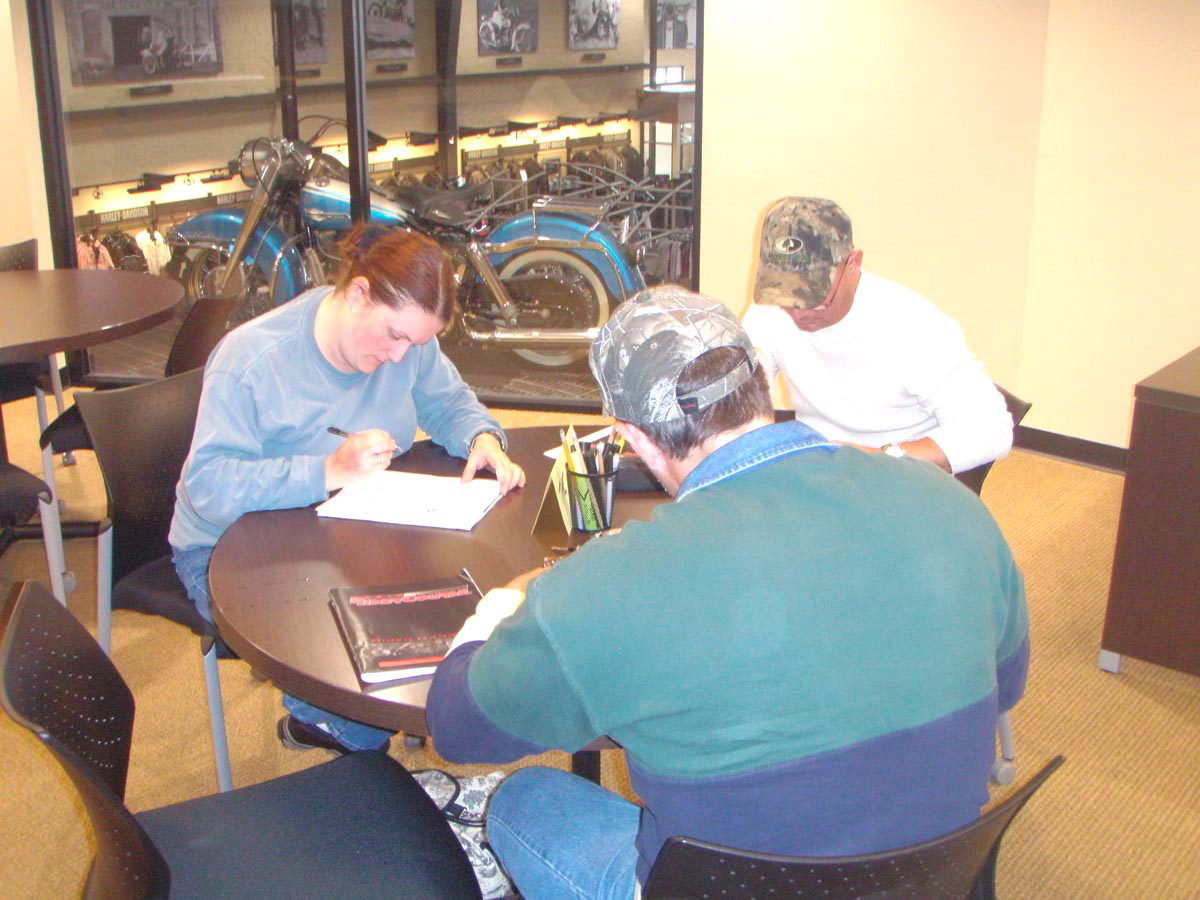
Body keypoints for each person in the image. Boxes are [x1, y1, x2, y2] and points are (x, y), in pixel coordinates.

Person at [426, 285, 1029, 900]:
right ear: (759, 384)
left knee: (523, 801)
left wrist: (500, 606)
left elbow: (459, 728)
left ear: (634, 438)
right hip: (932, 881)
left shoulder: (611, 585)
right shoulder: (950, 501)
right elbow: (1004, 687)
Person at [169, 225, 525, 756]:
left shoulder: (410, 343)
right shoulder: (252, 359)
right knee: (367, 676)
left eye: (416, 343)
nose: (401, 356)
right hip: (229, 550)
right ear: (358, 294)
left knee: (451, 622)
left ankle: (339, 721)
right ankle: (327, 723)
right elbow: (209, 485)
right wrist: (327, 470)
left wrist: (482, 438)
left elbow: (450, 402)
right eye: (394, 336)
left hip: (350, 530)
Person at [741, 196, 1013, 475]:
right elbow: (743, 394)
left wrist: (877, 457)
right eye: (783, 296)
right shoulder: (769, 311)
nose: (798, 313)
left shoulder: (914, 325)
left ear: (853, 264)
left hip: (899, 468)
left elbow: (992, 429)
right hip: (820, 467)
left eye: (814, 296)